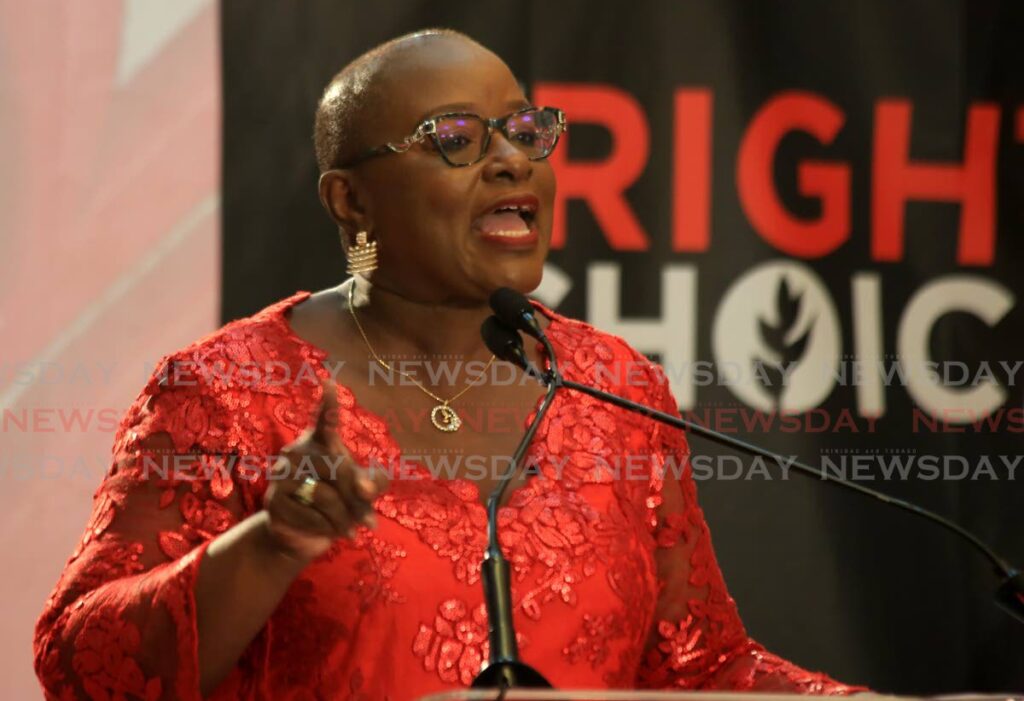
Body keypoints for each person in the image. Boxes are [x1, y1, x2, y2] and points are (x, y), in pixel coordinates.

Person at [33, 29, 865, 701]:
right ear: (349, 201)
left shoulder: (616, 387)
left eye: (526, 131)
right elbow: (81, 667)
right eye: (458, 139)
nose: (513, 160)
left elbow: (702, 669)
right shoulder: (226, 390)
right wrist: (269, 544)